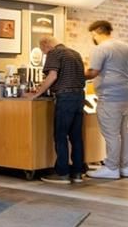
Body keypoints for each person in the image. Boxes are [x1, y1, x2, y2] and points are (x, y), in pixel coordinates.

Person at [84, 20, 128, 179]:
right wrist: (122, 82)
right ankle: (125, 167)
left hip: (110, 95)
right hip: (127, 93)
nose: (92, 38)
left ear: (96, 32)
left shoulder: (101, 48)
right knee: (123, 131)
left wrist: (76, 73)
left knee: (111, 133)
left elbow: (93, 72)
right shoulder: (125, 47)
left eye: (92, 35)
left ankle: (112, 168)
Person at [30, 35, 86, 184]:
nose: (44, 53)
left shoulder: (54, 53)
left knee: (60, 135)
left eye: (43, 50)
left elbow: (52, 76)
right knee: (76, 136)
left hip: (65, 98)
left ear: (46, 44)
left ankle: (62, 173)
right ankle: (77, 173)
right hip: (80, 96)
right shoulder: (75, 53)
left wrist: (37, 93)